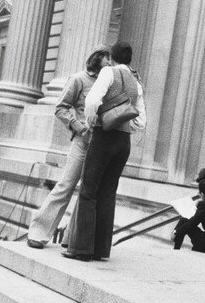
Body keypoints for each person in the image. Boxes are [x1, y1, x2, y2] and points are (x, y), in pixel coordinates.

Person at [62, 41, 145, 262]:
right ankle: (101, 250)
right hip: (123, 141)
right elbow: (141, 120)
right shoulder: (136, 80)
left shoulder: (109, 71)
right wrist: (124, 125)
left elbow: (91, 101)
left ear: (113, 57)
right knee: (108, 194)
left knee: (89, 191)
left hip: (103, 137)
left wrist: (92, 122)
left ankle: (81, 249)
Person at [26, 45, 111, 249]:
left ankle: (73, 238)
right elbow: (61, 108)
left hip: (101, 143)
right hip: (82, 142)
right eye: (108, 59)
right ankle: (38, 233)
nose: (110, 64)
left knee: (89, 192)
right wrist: (78, 126)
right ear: (98, 59)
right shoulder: (78, 79)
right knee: (66, 185)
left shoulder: (107, 82)